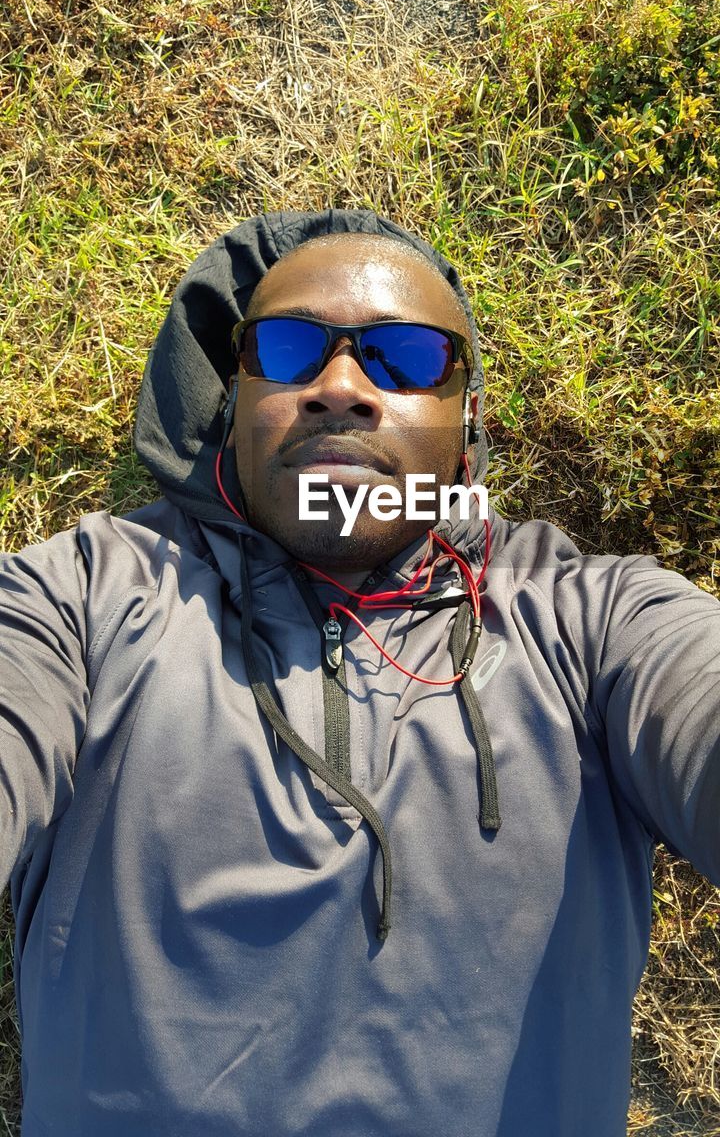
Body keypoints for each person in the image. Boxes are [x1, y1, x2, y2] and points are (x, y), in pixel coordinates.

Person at [1, 208, 718, 1137]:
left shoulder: (595, 616)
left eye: (408, 359)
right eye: (292, 348)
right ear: (231, 399)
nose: (341, 386)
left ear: (466, 421)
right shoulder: (83, 595)